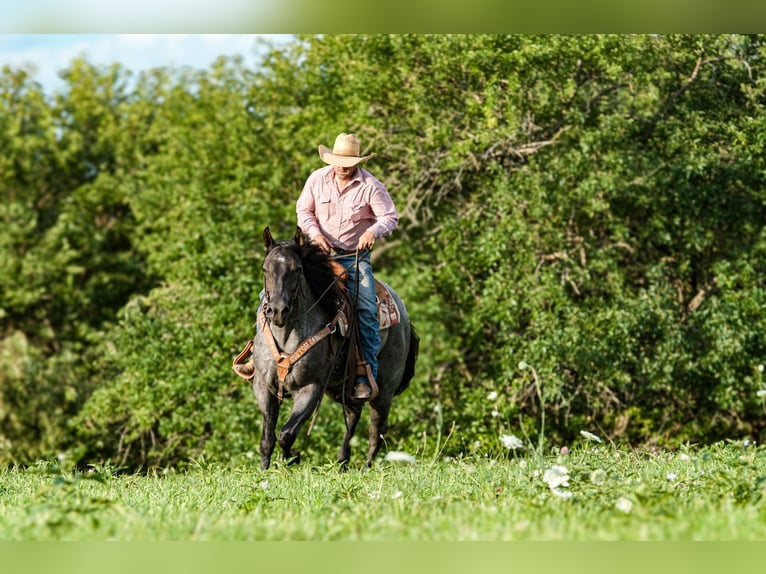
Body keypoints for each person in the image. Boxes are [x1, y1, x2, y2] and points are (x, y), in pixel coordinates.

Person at [233, 132, 399, 401]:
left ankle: (363, 372)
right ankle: (257, 357)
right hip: (315, 254)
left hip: (352, 259)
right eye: (339, 160)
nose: (343, 166)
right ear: (331, 159)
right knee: (269, 295)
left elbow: (389, 217)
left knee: (367, 307)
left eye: (348, 161)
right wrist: (315, 234)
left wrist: (374, 231)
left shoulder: (371, 186)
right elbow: (304, 211)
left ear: (357, 161)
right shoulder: (317, 179)